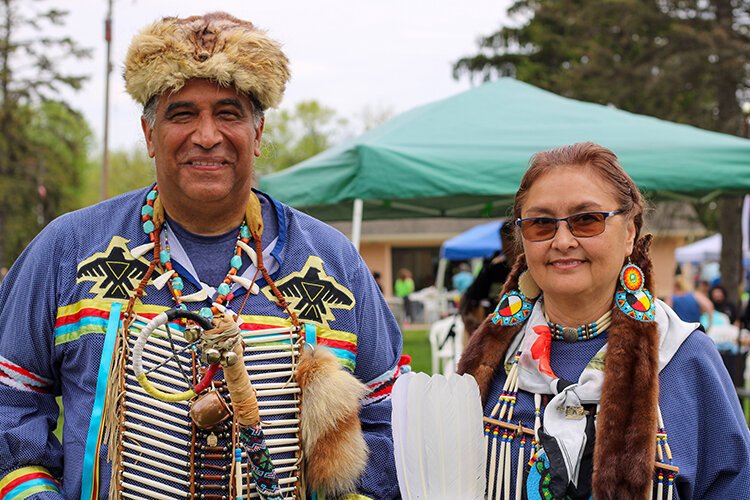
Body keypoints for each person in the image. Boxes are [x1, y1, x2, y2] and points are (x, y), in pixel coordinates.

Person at [0, 13, 402, 499]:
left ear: (257, 133)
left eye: (229, 113)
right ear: (149, 134)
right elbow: (10, 403)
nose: (207, 135)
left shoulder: (332, 262)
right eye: (182, 113)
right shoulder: (68, 249)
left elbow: (390, 416)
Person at [458, 142, 750, 498]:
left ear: (629, 233)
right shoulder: (489, 361)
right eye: (541, 224)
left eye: (587, 220)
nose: (563, 241)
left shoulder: (685, 359)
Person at [459, 220, 518, 337]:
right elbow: (469, 297)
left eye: (511, 239)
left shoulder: (531, 271)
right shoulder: (494, 269)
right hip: (496, 334)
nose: (507, 245)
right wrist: (469, 321)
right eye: (504, 239)